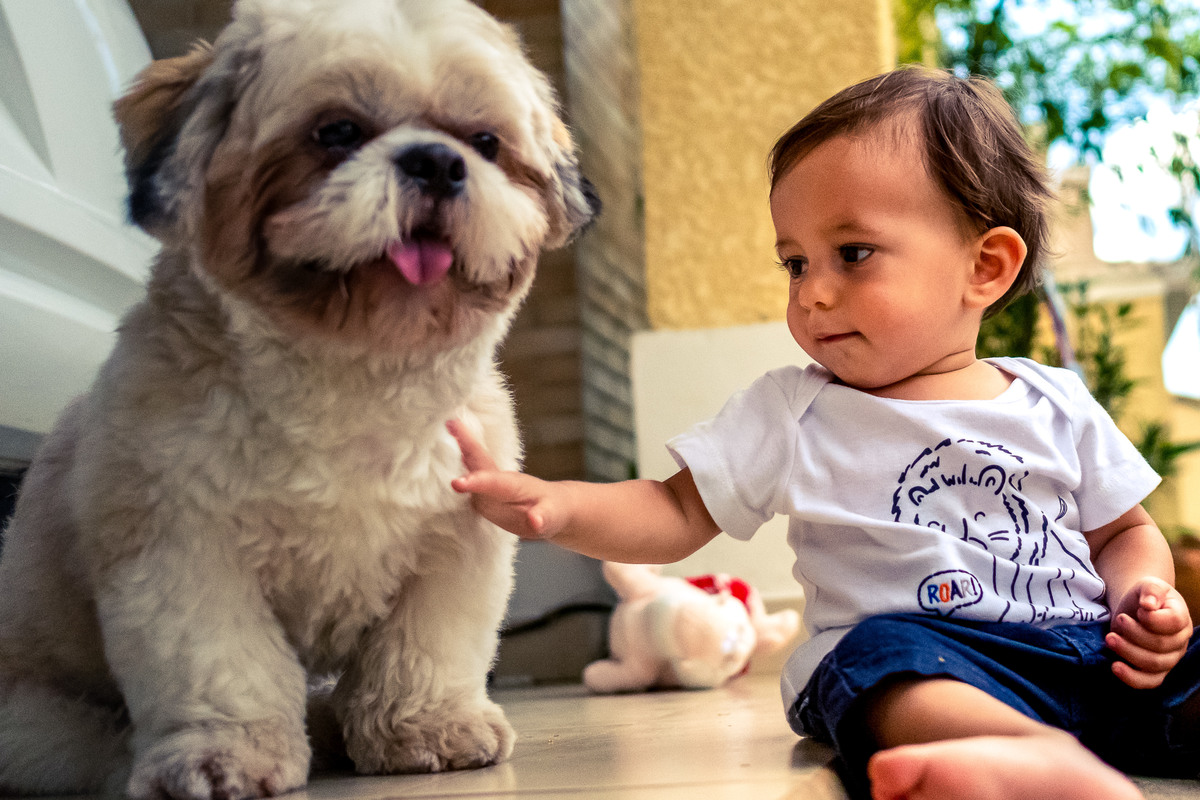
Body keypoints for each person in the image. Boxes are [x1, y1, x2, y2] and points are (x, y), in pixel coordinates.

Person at [448, 66, 1200, 800]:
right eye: (794, 262)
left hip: (1092, 658)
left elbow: (1124, 532)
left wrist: (1144, 594)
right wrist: (558, 507)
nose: (813, 291)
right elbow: (674, 512)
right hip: (936, 662)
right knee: (871, 658)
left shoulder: (1052, 399)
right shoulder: (792, 410)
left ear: (986, 268)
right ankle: (1019, 757)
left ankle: (1074, 740)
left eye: (852, 254)